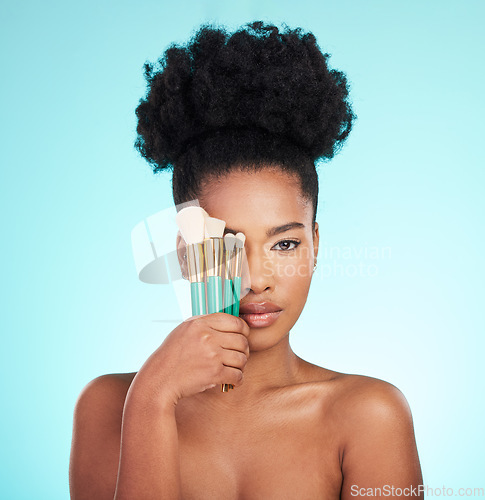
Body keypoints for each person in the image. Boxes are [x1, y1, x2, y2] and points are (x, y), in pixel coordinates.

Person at [69, 20, 423, 499]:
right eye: (227, 246)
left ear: (316, 246)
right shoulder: (110, 407)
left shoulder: (368, 415)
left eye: (284, 244)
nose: (256, 279)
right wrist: (151, 401)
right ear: (185, 253)